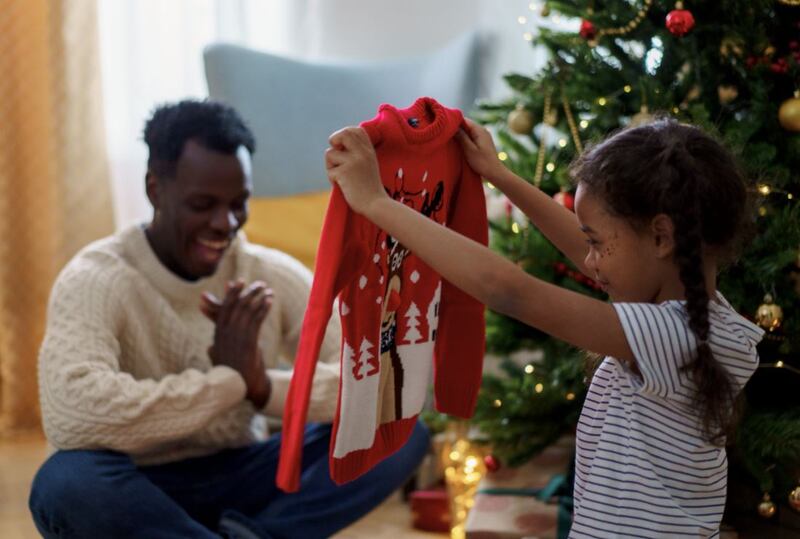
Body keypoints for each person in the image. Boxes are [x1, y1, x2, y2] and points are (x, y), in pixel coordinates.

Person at [325, 117, 764, 538]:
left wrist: (376, 203)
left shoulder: (671, 335)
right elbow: (597, 251)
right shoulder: (697, 314)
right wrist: (499, 175)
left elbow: (507, 290)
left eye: (596, 242)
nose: (589, 260)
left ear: (661, 237)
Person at [29, 99, 429, 539]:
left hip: (244, 474)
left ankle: (253, 535)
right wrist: (230, 383)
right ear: (155, 189)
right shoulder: (96, 278)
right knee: (64, 483)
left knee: (399, 431)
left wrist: (262, 385)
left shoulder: (269, 274)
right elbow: (73, 412)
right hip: (137, 484)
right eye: (203, 204)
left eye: (239, 203)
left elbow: (376, 387)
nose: (226, 223)